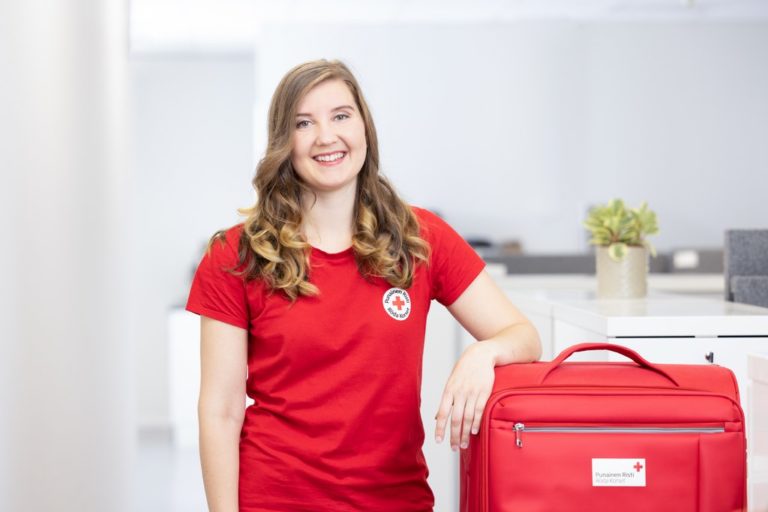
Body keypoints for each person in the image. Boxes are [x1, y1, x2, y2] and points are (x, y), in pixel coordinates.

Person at [185, 58, 541, 512]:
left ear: (364, 128)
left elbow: (523, 336)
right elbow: (220, 410)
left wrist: (484, 353)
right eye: (303, 122)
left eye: (340, 115)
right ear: (283, 142)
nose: (326, 136)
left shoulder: (420, 238)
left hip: (394, 500)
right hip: (276, 498)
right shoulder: (236, 255)